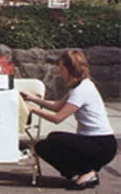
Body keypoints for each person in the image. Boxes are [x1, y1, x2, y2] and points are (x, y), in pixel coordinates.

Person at [20, 49, 117, 190]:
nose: (60, 72)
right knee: (43, 146)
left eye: (61, 68)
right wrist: (32, 98)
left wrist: (34, 110)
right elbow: (57, 106)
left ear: (69, 69)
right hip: (93, 142)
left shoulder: (82, 90)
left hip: (101, 144)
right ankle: (81, 172)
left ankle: (88, 172)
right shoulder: (79, 86)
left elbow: (58, 118)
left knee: (56, 139)